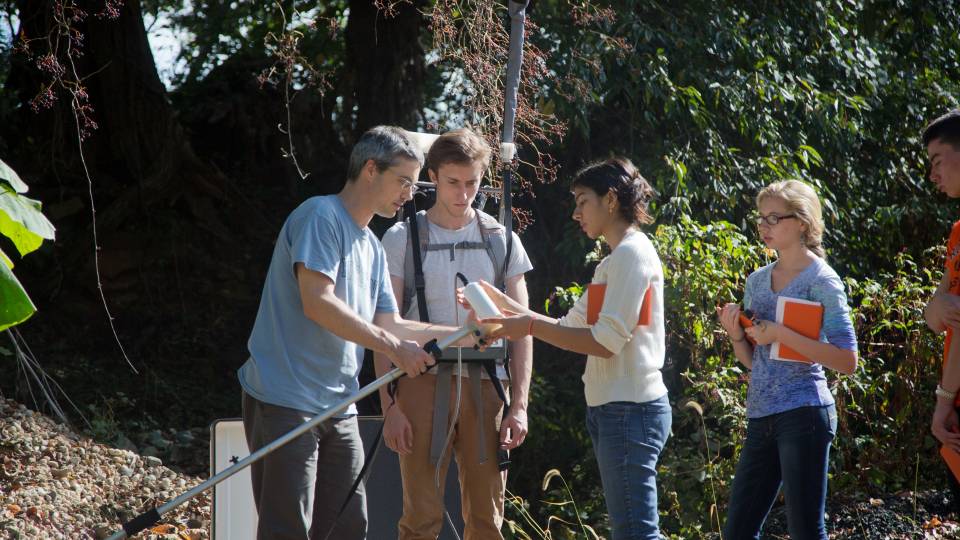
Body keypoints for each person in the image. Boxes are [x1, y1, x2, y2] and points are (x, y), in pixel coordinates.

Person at [237, 126, 475, 540]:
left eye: (413, 184)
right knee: (286, 529)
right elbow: (319, 302)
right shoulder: (319, 216)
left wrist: (466, 332)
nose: (408, 193)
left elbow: (391, 323)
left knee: (348, 527)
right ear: (370, 169)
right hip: (285, 398)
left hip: (339, 405)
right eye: (403, 181)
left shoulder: (370, 244)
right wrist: (393, 348)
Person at [468, 157, 671, 540]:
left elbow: (604, 343)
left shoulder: (631, 254)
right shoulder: (613, 260)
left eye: (582, 201)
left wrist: (524, 324)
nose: (576, 213)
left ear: (610, 199)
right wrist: (501, 303)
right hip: (614, 410)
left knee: (637, 533)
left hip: (631, 409)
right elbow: (570, 328)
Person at [375, 128, 534, 539]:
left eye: (472, 183)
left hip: (487, 386)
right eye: (452, 182)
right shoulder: (400, 237)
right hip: (419, 381)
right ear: (433, 176)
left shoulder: (502, 240)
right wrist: (389, 405)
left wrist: (519, 404)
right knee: (420, 519)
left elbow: (524, 329)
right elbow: (383, 326)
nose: (463, 193)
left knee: (486, 520)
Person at [716, 180, 858, 540]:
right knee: (737, 532)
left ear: (803, 223)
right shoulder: (757, 281)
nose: (764, 226)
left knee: (805, 532)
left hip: (805, 413)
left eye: (774, 218)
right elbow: (754, 362)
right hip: (761, 414)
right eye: (761, 218)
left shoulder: (822, 280)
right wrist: (736, 333)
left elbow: (847, 360)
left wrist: (780, 333)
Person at [921, 110, 960, 486]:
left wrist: (943, 401)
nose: (933, 176)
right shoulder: (957, 232)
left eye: (937, 161)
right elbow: (935, 317)